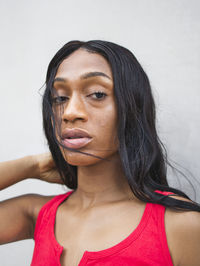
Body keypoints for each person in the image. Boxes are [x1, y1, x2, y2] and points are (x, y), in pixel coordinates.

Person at [0, 40, 200, 266]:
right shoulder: (38, 215)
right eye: (60, 98)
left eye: (96, 94)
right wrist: (32, 166)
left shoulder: (181, 225)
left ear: (133, 106)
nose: (69, 112)